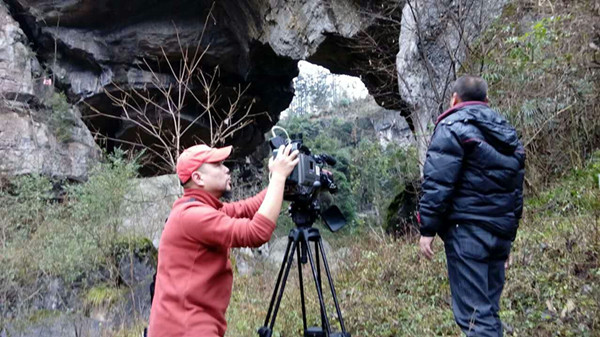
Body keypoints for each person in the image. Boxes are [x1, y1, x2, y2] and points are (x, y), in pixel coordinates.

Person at [148, 143, 299, 337]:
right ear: (198, 177)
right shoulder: (194, 216)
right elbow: (256, 233)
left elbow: (246, 208)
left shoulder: (197, 208)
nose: (226, 168)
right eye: (218, 164)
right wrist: (278, 177)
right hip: (187, 330)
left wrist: (281, 182)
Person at [418, 75, 525, 336]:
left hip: (468, 234)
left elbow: (438, 182)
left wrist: (427, 229)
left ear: (454, 99)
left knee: (476, 318)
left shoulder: (451, 126)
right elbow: (515, 189)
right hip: (499, 233)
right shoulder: (507, 131)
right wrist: (508, 237)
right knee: (488, 310)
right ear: (486, 101)